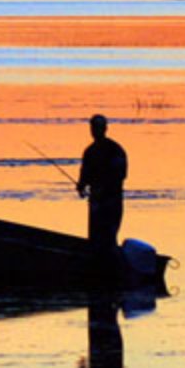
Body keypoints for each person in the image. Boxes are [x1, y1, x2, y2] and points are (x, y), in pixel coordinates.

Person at [76, 114, 127, 272]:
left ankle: (113, 270)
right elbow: (84, 174)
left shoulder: (115, 150)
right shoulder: (89, 151)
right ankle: (98, 270)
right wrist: (81, 185)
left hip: (111, 202)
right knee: (95, 240)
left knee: (109, 239)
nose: (95, 131)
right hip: (96, 203)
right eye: (93, 127)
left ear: (105, 129)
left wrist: (103, 189)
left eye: (98, 127)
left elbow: (121, 175)